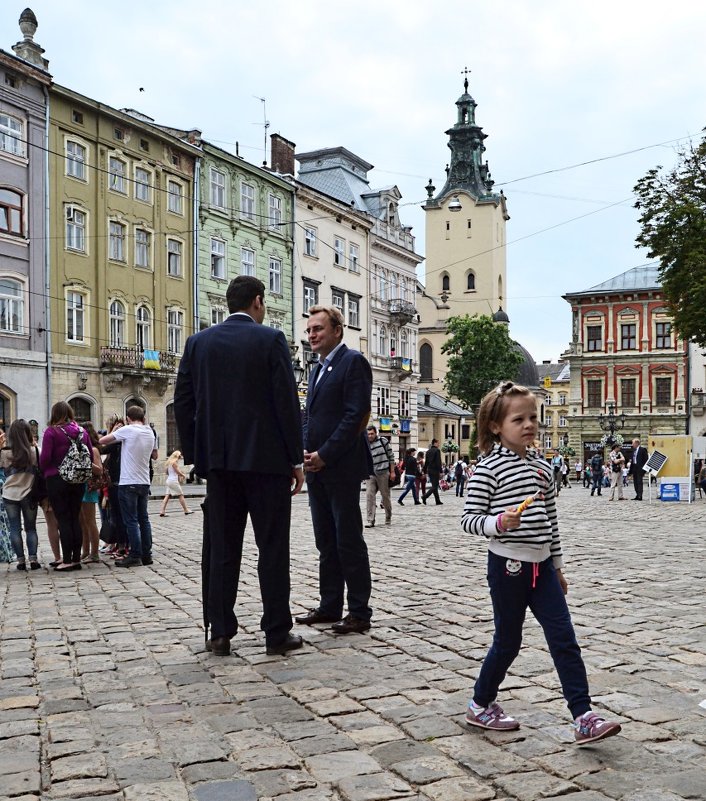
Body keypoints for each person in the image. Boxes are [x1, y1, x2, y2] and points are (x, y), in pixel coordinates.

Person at [461, 380, 622, 745]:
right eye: (519, 419)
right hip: (508, 568)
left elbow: (551, 519)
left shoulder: (543, 467)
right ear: (495, 426)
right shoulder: (487, 469)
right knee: (508, 641)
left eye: (533, 416)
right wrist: (497, 522)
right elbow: (469, 519)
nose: (529, 424)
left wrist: (558, 565)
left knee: (564, 638)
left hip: (543, 569)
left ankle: (583, 715)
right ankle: (480, 702)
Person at [174, 275, 304, 656]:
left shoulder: (197, 344)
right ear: (258, 302)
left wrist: (199, 454)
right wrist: (295, 458)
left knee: (222, 549)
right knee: (272, 549)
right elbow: (286, 403)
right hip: (267, 465)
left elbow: (183, 402)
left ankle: (220, 631)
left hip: (220, 466)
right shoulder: (271, 340)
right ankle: (276, 632)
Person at [296, 305, 374, 636]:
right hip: (317, 468)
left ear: (337, 331)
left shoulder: (352, 362)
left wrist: (325, 454)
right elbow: (313, 418)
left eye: (318, 329)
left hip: (340, 467)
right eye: (310, 330)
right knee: (325, 541)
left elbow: (355, 417)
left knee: (347, 540)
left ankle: (358, 610)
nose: (312, 335)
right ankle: (330, 605)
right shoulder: (317, 369)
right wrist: (303, 452)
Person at [99, 405, 157, 568]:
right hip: (144, 481)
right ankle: (147, 554)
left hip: (128, 481)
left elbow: (102, 441)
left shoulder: (128, 430)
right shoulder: (149, 432)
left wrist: (115, 430)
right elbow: (153, 453)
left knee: (130, 520)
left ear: (128, 419)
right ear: (143, 417)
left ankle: (135, 554)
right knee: (143, 519)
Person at [40, 402, 93, 571]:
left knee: (63, 519)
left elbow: (45, 459)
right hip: (78, 480)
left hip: (57, 480)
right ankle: (76, 559)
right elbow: (90, 455)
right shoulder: (82, 431)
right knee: (75, 518)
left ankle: (67, 560)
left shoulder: (52, 432)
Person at [0, 419, 41, 570]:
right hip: (29, 494)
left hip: (9, 494)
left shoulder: (4, 453)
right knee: (31, 528)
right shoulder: (34, 451)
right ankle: (33, 559)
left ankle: (21, 561)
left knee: (14, 528)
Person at [80, 422, 105, 563]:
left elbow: (99, 470)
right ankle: (85, 551)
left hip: (88, 486)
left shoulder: (93, 450)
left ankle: (94, 553)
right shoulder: (81, 449)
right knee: (82, 522)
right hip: (80, 486)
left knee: (90, 521)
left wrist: (85, 462)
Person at [364, 426, 395, 528]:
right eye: (368, 434)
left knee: (385, 496)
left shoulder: (383, 441)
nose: (370, 436)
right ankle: (370, 520)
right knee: (369, 496)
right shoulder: (365, 444)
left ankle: (388, 516)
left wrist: (392, 472)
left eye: (372, 434)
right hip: (370, 474)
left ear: (375, 433)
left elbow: (391, 457)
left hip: (383, 472)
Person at [159, 450, 194, 517]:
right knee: (181, 495)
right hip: (173, 481)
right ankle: (186, 510)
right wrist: (183, 475)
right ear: (177, 456)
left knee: (167, 496)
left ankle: (162, 511)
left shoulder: (169, 463)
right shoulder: (174, 463)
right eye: (179, 456)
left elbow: (166, 472)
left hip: (169, 480)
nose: (180, 457)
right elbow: (177, 471)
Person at [422, 439, 443, 505]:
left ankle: (437, 500)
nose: (439, 444)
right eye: (438, 443)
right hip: (435, 470)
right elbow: (438, 461)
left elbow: (426, 462)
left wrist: (425, 471)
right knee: (435, 486)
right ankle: (424, 496)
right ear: (435, 443)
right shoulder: (437, 451)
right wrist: (441, 471)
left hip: (429, 470)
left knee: (434, 485)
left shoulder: (428, 451)